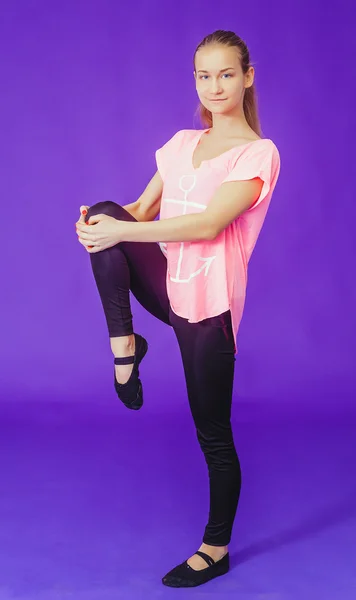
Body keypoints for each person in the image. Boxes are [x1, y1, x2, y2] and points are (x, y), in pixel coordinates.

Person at [75, 29, 281, 588]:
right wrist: (101, 230)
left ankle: (215, 549)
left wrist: (121, 229)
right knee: (105, 213)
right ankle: (126, 348)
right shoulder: (181, 143)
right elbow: (140, 210)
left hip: (208, 306)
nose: (215, 86)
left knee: (212, 431)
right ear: (195, 80)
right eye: (204, 75)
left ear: (247, 76)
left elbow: (211, 223)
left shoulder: (257, 153)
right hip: (168, 282)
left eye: (226, 74)